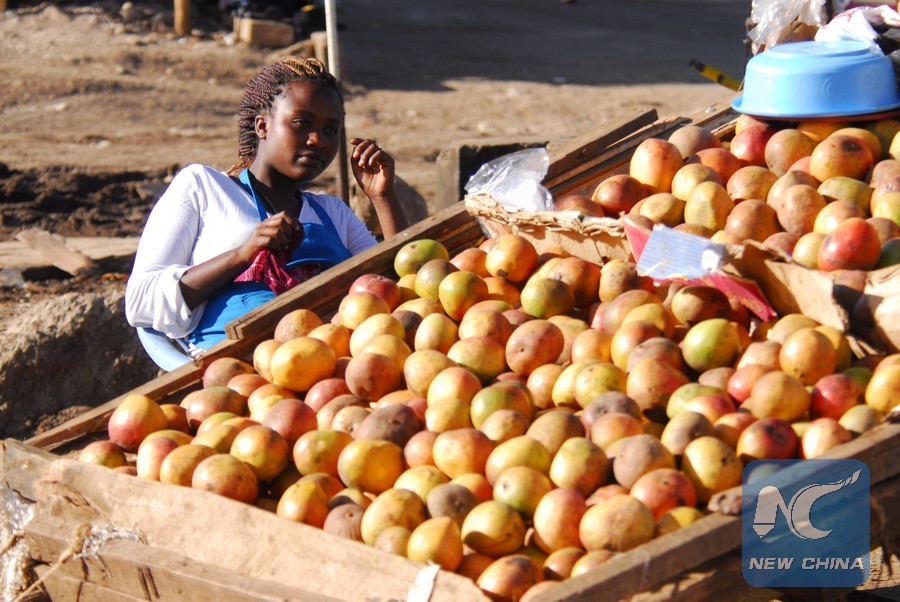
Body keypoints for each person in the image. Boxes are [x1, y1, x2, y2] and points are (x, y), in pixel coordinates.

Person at [125, 57, 406, 353]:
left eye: (331, 130)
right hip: (233, 373)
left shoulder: (333, 213)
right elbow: (140, 301)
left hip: (327, 366)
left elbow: (395, 286)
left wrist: (382, 198)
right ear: (262, 125)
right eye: (301, 123)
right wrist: (241, 255)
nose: (318, 141)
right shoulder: (203, 187)